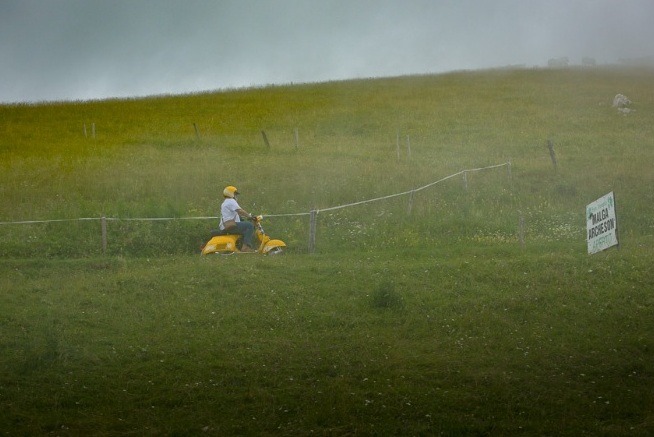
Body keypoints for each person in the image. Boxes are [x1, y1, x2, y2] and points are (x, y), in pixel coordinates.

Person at [216, 185, 257, 252]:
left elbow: (235, 215)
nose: (236, 196)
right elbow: (239, 211)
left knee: (245, 225)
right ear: (231, 194)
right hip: (229, 226)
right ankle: (245, 247)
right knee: (249, 226)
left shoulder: (225, 202)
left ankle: (240, 245)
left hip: (226, 225)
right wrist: (249, 216)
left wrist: (245, 218)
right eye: (235, 194)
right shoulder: (231, 201)